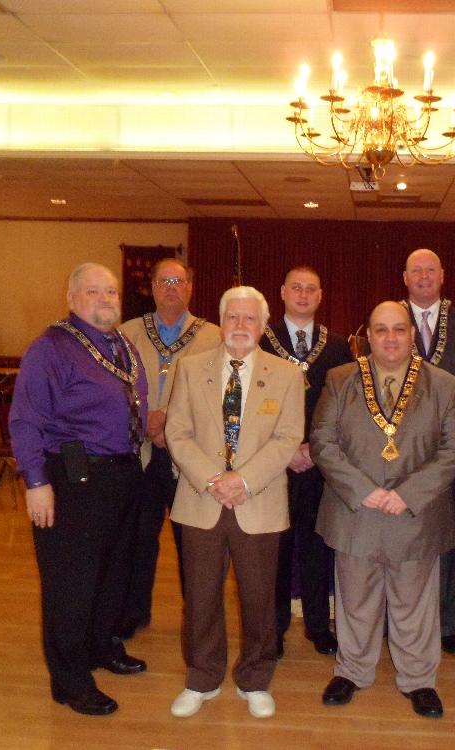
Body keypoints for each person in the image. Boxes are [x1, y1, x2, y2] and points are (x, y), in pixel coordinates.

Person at [312, 301, 455, 719]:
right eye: (380, 330)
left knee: (414, 603)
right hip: (355, 511)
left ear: (412, 334)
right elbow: (323, 442)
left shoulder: (444, 385)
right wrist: (363, 489)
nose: (390, 338)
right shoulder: (340, 380)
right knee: (355, 599)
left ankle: (418, 680)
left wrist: (409, 494)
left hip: (415, 514)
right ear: (367, 336)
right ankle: (352, 671)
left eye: (399, 329)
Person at [10, 263, 149, 717]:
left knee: (111, 575)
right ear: (71, 298)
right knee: (70, 583)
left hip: (121, 474)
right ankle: (70, 681)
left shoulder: (121, 343)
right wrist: (36, 483)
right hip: (73, 478)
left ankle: (100, 647)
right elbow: (25, 420)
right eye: (93, 292)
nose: (105, 299)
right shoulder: (50, 348)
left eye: (111, 291)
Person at [165, 286, 304, 721]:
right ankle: (202, 677)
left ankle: (255, 679)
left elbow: (288, 437)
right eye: (232, 317)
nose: (240, 326)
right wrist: (213, 480)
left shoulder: (287, 374)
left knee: (259, 599)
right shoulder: (190, 369)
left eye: (249, 319)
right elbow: (177, 433)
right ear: (221, 322)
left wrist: (243, 480)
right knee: (200, 596)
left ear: (263, 326)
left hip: (258, 501)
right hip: (200, 500)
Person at [118, 257, 221, 637]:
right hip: (140, 453)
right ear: (152, 287)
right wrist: (145, 419)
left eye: (179, 281)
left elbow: (216, 395)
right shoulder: (127, 333)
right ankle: (133, 614)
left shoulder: (214, 336)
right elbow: (115, 387)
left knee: (192, 542)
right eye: (164, 281)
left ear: (191, 288)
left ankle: (197, 619)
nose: (171, 288)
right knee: (138, 538)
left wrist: (171, 424)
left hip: (189, 458)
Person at [261, 265, 352, 657]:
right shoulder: (262, 341)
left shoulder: (338, 347)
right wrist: (285, 451)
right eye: (295, 288)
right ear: (282, 292)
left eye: (310, 289)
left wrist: (314, 449)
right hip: (272, 466)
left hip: (320, 465)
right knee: (275, 550)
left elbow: (345, 407)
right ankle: (273, 627)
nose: (302, 294)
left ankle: (318, 625)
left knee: (318, 548)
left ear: (320, 296)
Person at [401, 248, 455, 656]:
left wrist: (443, 430)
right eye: (416, 270)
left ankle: (446, 625)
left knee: (444, 537)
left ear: (442, 275)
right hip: (396, 453)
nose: (423, 276)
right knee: (398, 539)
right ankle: (397, 621)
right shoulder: (386, 321)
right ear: (405, 278)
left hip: (447, 454)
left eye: (430, 270)